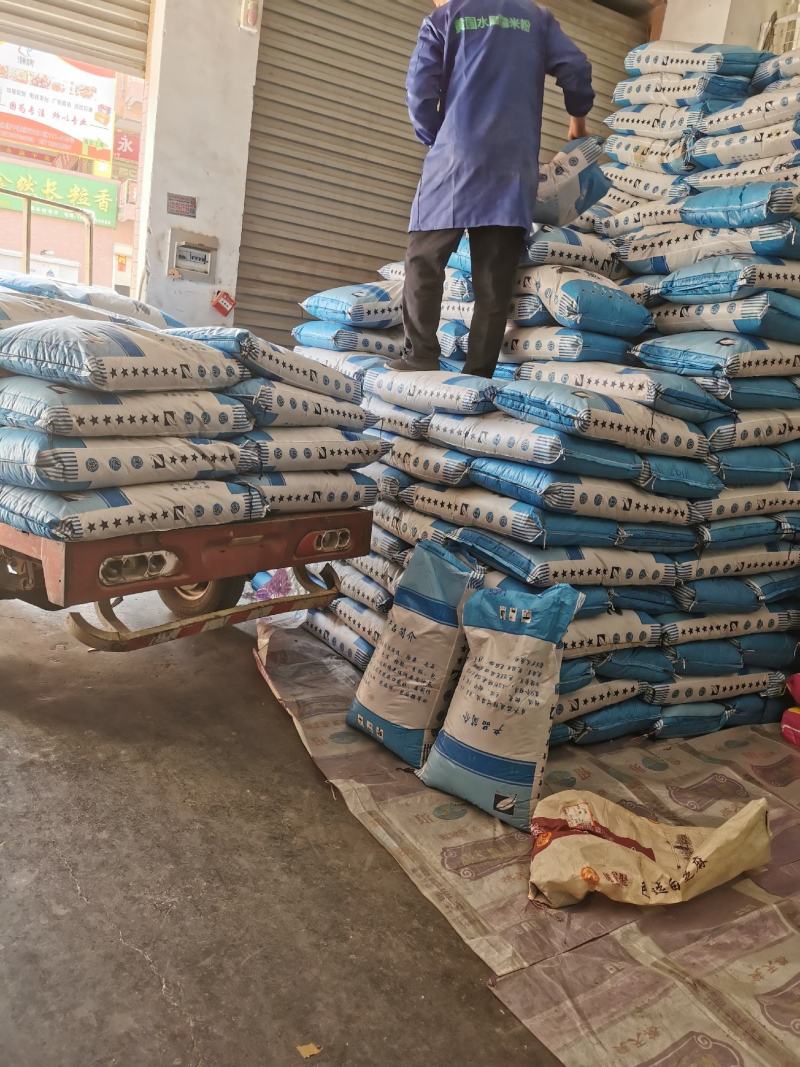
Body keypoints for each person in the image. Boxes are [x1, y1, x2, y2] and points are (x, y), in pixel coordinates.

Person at [389, 0, 594, 377]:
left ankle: (420, 355)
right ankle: (478, 373)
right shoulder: (537, 18)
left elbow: (419, 90)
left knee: (424, 263)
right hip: (512, 167)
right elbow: (576, 68)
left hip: (454, 160)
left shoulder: (445, 18)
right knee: (493, 281)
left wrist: (438, 138)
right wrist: (577, 122)